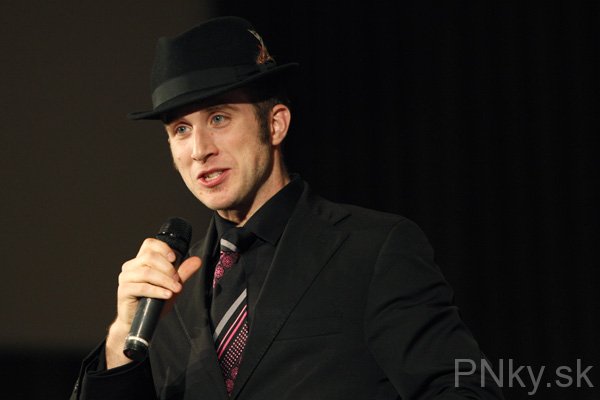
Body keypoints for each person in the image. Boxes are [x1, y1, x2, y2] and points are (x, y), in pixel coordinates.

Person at [70, 16, 504, 400]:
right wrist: (120, 337)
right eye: (181, 129)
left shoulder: (371, 249)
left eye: (219, 118)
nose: (199, 149)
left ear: (275, 124)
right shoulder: (168, 294)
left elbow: (464, 389)